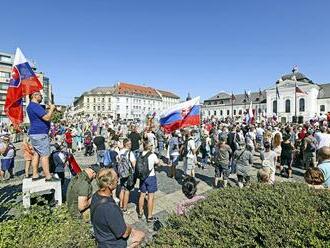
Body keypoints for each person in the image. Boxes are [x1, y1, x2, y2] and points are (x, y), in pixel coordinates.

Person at [91, 168, 145, 248]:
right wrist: (129, 228)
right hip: (112, 244)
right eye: (116, 179)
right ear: (109, 185)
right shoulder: (110, 208)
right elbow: (124, 234)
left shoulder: (96, 195)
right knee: (141, 235)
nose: (118, 181)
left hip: (101, 236)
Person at [26, 91, 58, 181]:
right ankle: (48, 176)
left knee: (36, 154)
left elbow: (45, 107)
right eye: (40, 95)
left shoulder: (31, 106)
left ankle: (35, 174)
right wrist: (51, 109)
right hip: (40, 134)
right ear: (34, 96)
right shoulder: (35, 106)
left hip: (34, 133)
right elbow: (47, 117)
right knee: (45, 155)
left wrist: (52, 107)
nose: (42, 97)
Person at [138, 142, 160, 222]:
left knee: (142, 195)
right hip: (151, 177)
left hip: (142, 177)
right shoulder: (152, 155)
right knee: (151, 197)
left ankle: (140, 212)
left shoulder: (140, 154)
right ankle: (149, 216)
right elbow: (158, 163)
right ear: (150, 147)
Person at [118, 138, 136, 213]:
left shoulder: (120, 152)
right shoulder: (130, 153)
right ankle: (125, 209)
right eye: (130, 144)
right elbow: (134, 164)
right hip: (128, 174)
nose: (131, 145)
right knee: (127, 191)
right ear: (126, 144)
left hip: (122, 173)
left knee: (122, 189)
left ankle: (120, 206)